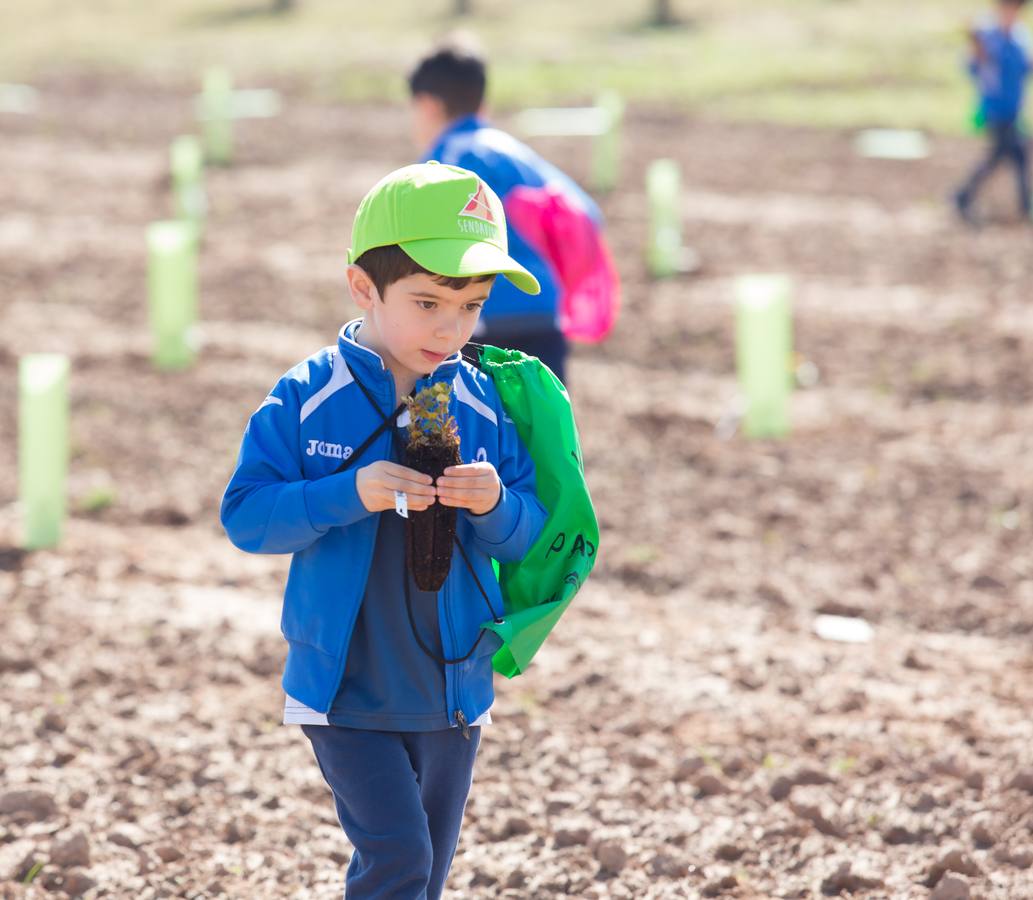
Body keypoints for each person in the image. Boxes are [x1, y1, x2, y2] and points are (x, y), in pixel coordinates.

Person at [220, 162, 547, 899]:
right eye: (427, 301)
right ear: (363, 288)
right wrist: (348, 492)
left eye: (470, 306)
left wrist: (495, 504)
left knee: (423, 872)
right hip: (345, 692)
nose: (450, 327)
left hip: (454, 688)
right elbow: (246, 516)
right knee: (396, 862)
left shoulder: (487, 401)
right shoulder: (308, 397)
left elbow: (529, 538)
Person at [409, 41, 620, 384]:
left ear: (427, 105)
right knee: (542, 433)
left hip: (477, 325)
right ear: (482, 102)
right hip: (543, 312)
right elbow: (587, 214)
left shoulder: (442, 161)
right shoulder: (514, 152)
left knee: (473, 433)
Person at [954, 0, 1032, 225]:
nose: (1011, 13)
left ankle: (1024, 206)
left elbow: (1023, 70)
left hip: (1013, 110)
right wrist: (977, 54)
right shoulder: (988, 38)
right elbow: (972, 67)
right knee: (1002, 154)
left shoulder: (1018, 39)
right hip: (995, 111)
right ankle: (962, 195)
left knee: (1017, 155)